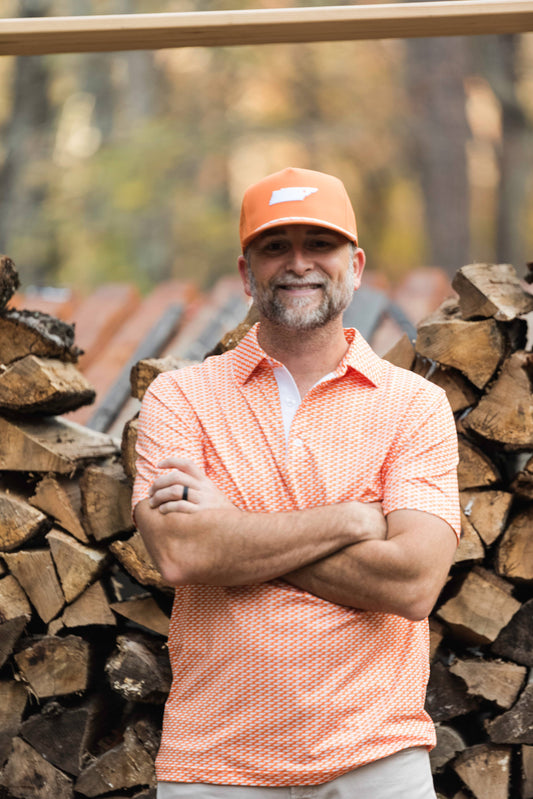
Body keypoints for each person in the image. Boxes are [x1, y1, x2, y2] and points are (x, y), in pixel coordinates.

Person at [133, 167, 461, 799]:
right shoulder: (182, 396)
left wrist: (233, 533)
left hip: (377, 760)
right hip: (215, 764)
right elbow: (182, 553)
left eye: (320, 244)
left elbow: (415, 582)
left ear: (356, 264)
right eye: (275, 246)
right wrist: (351, 520)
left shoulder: (413, 404)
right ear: (246, 271)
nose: (299, 263)